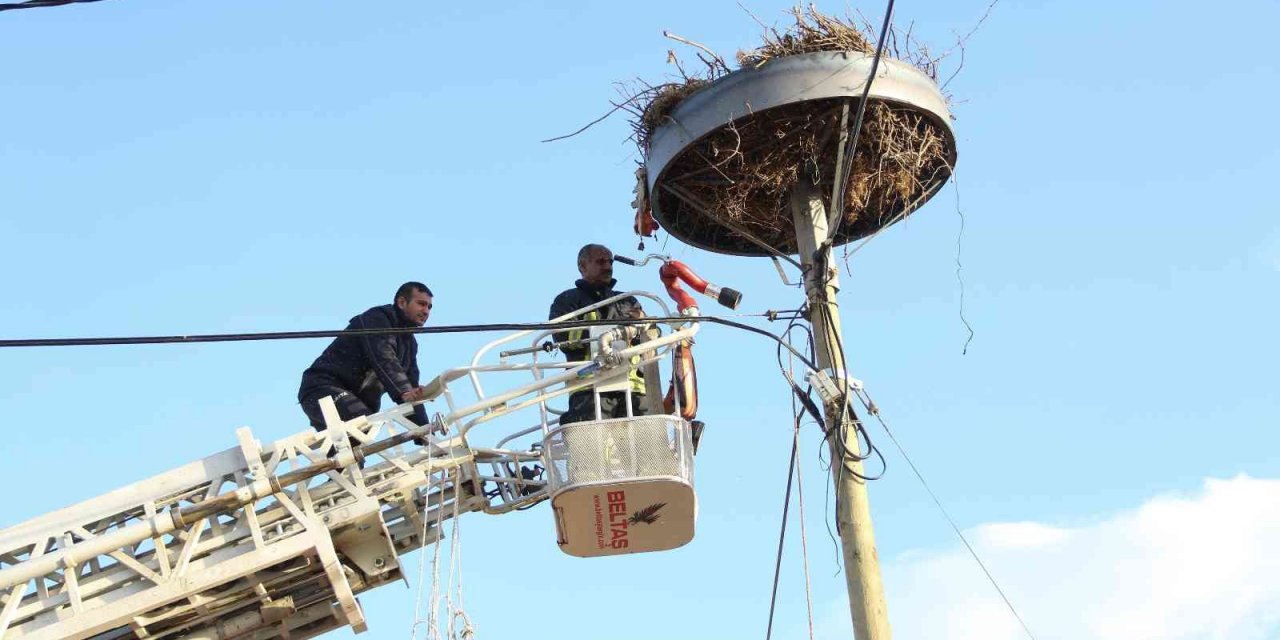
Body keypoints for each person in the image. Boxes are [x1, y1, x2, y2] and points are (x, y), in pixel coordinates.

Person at [298, 282, 433, 431]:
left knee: (361, 434)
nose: (426, 311)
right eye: (421, 304)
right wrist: (403, 392)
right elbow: (384, 357)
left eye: (429, 307)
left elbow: (411, 386)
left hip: (355, 402)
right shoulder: (377, 318)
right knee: (363, 426)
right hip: (322, 388)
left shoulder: (410, 345)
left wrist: (426, 433)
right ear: (401, 302)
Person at [549, 244, 648, 425]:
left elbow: (649, 334)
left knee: (641, 447)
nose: (608, 267)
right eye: (601, 261)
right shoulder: (567, 301)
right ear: (582, 266)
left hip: (633, 388)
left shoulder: (628, 300)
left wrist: (640, 328)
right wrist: (611, 329)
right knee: (595, 448)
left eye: (610, 262)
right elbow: (563, 338)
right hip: (589, 389)